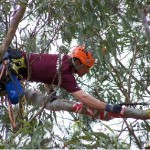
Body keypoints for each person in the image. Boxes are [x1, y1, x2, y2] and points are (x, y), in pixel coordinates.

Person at [1, 46, 150, 120]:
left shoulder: (63, 60)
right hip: (10, 66)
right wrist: (108, 106)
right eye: (87, 67)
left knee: (13, 92)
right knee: (15, 97)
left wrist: (51, 92)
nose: (87, 71)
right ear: (78, 62)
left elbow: (47, 74)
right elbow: (84, 99)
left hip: (13, 61)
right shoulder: (66, 74)